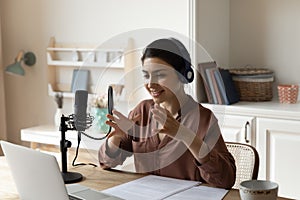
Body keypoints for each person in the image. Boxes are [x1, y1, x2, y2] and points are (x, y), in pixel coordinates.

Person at [98, 38, 236, 189]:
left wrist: (185, 135)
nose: (151, 84)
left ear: (182, 75)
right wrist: (116, 138)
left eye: (160, 75)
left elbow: (225, 180)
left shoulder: (204, 119)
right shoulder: (142, 111)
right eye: (146, 75)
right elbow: (106, 162)